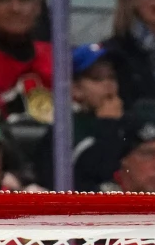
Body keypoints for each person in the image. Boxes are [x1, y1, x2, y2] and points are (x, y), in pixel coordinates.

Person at [34, 43, 126, 192]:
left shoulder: (129, 124)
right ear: (75, 88)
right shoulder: (63, 131)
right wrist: (107, 124)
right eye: (97, 78)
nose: (108, 84)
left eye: (112, 77)